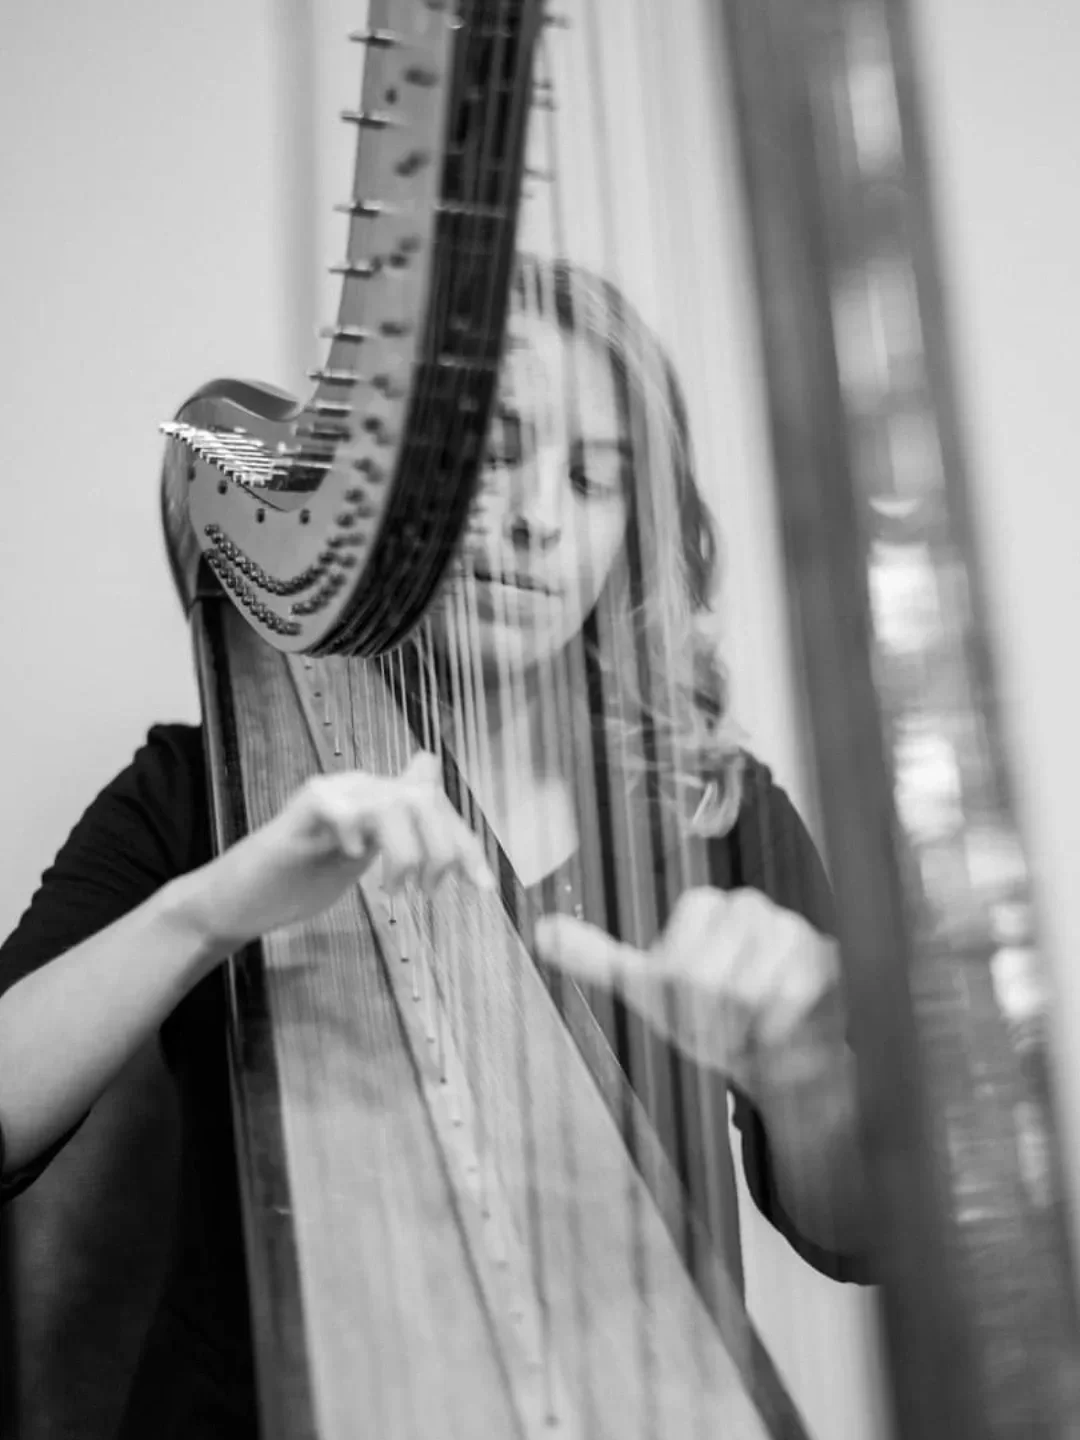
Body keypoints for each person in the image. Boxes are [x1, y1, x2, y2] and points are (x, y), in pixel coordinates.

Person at [0, 256, 870, 1437]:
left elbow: (856, 1235)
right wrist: (205, 913)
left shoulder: (715, 811)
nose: (536, 519)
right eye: (492, 453)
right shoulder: (193, 786)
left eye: (592, 478)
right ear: (388, 481)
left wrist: (802, 1084)